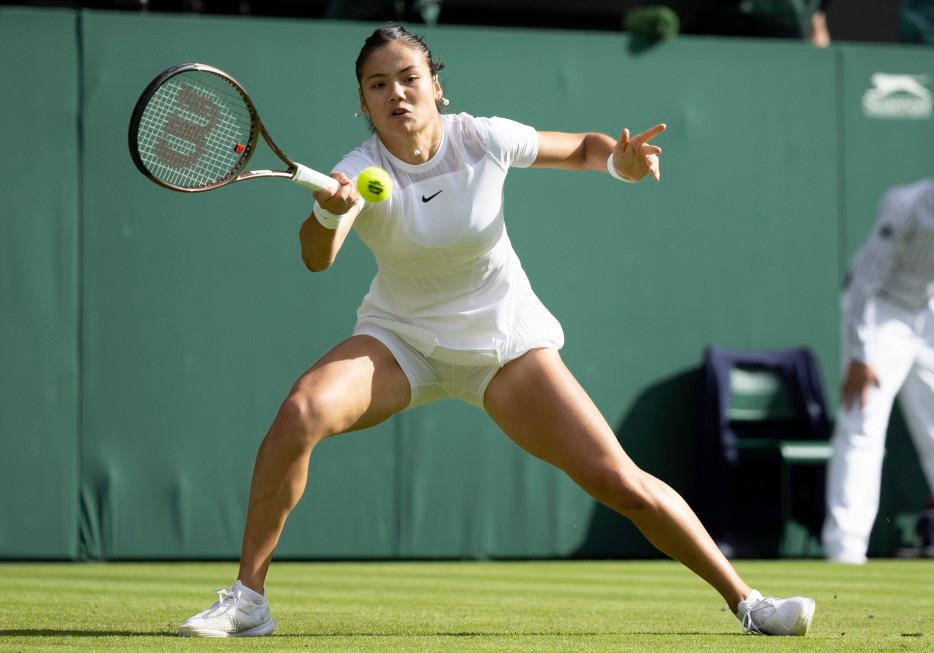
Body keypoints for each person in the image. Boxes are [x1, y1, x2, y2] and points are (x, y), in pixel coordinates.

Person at [178, 22, 815, 638]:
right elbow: (317, 258)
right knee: (301, 412)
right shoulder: (357, 170)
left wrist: (620, 162)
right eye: (377, 85)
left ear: (435, 86)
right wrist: (326, 210)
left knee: (621, 484)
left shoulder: (482, 139)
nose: (395, 93)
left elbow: (585, 148)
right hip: (401, 342)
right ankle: (249, 601)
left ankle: (751, 604)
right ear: (364, 102)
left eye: (408, 78)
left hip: (505, 347)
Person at [822, 177, 934, 564]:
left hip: (927, 310)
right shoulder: (907, 207)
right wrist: (860, 353)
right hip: (881, 314)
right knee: (862, 425)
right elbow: (863, 284)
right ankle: (845, 550)